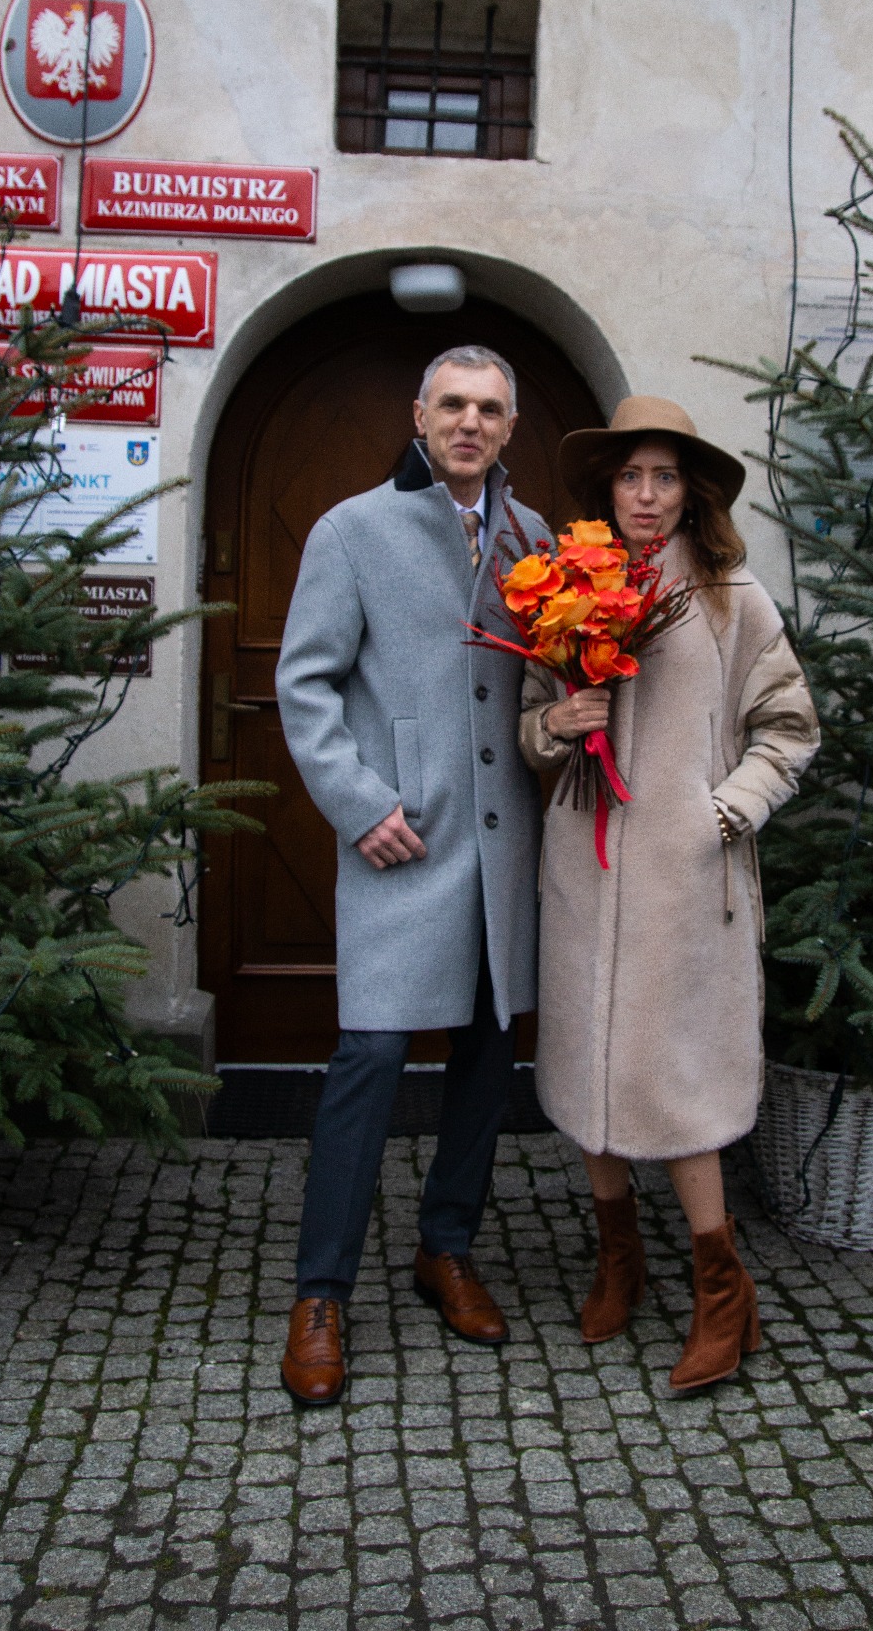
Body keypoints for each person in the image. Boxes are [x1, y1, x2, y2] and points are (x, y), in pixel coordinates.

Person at [519, 396, 819, 1394]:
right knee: (589, 1070)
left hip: (686, 883)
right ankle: (621, 1260)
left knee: (679, 1083)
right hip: (583, 869)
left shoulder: (736, 598)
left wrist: (722, 813)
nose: (645, 495)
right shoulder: (566, 587)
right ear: (609, 487)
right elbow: (531, 731)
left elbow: (790, 730)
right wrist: (559, 718)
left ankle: (723, 1293)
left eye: (664, 476)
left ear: (691, 490)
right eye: (629, 476)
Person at [275, 344, 550, 1405]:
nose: (470, 422)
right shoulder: (353, 529)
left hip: (504, 843)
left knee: (488, 1051)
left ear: (510, 424)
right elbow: (306, 684)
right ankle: (322, 1290)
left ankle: (446, 1247)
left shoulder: (535, 539)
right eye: (452, 404)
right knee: (372, 1054)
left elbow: (545, 681)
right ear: (420, 414)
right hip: (406, 834)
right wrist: (359, 802)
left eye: (489, 407)